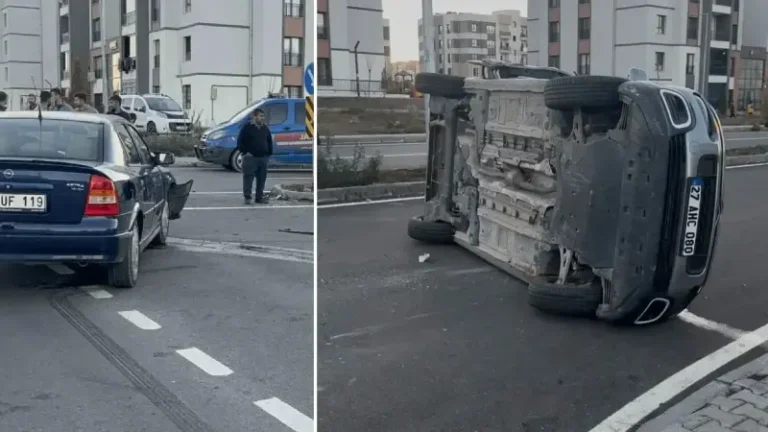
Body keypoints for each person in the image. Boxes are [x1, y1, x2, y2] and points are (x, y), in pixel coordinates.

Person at [236, 108, 273, 205]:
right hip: (250, 158)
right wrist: (245, 152)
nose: (262, 118)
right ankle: (247, 197)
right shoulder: (247, 128)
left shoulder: (265, 128)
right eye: (260, 116)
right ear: (254, 117)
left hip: (263, 158)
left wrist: (269, 153)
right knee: (248, 178)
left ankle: (259, 197)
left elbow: (269, 141)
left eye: (263, 116)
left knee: (261, 179)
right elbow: (240, 142)